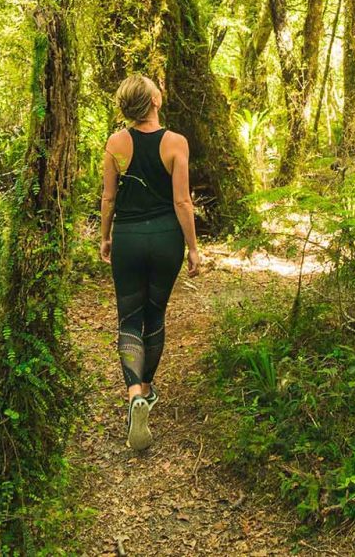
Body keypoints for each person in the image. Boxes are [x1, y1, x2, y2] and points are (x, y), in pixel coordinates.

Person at [98, 74, 203, 451]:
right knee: (154, 315)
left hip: (127, 237)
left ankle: (133, 394)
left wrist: (105, 236)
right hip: (165, 240)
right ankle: (147, 386)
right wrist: (193, 248)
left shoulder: (116, 142)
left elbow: (109, 199)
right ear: (154, 100)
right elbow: (182, 202)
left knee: (129, 317)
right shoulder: (176, 143)